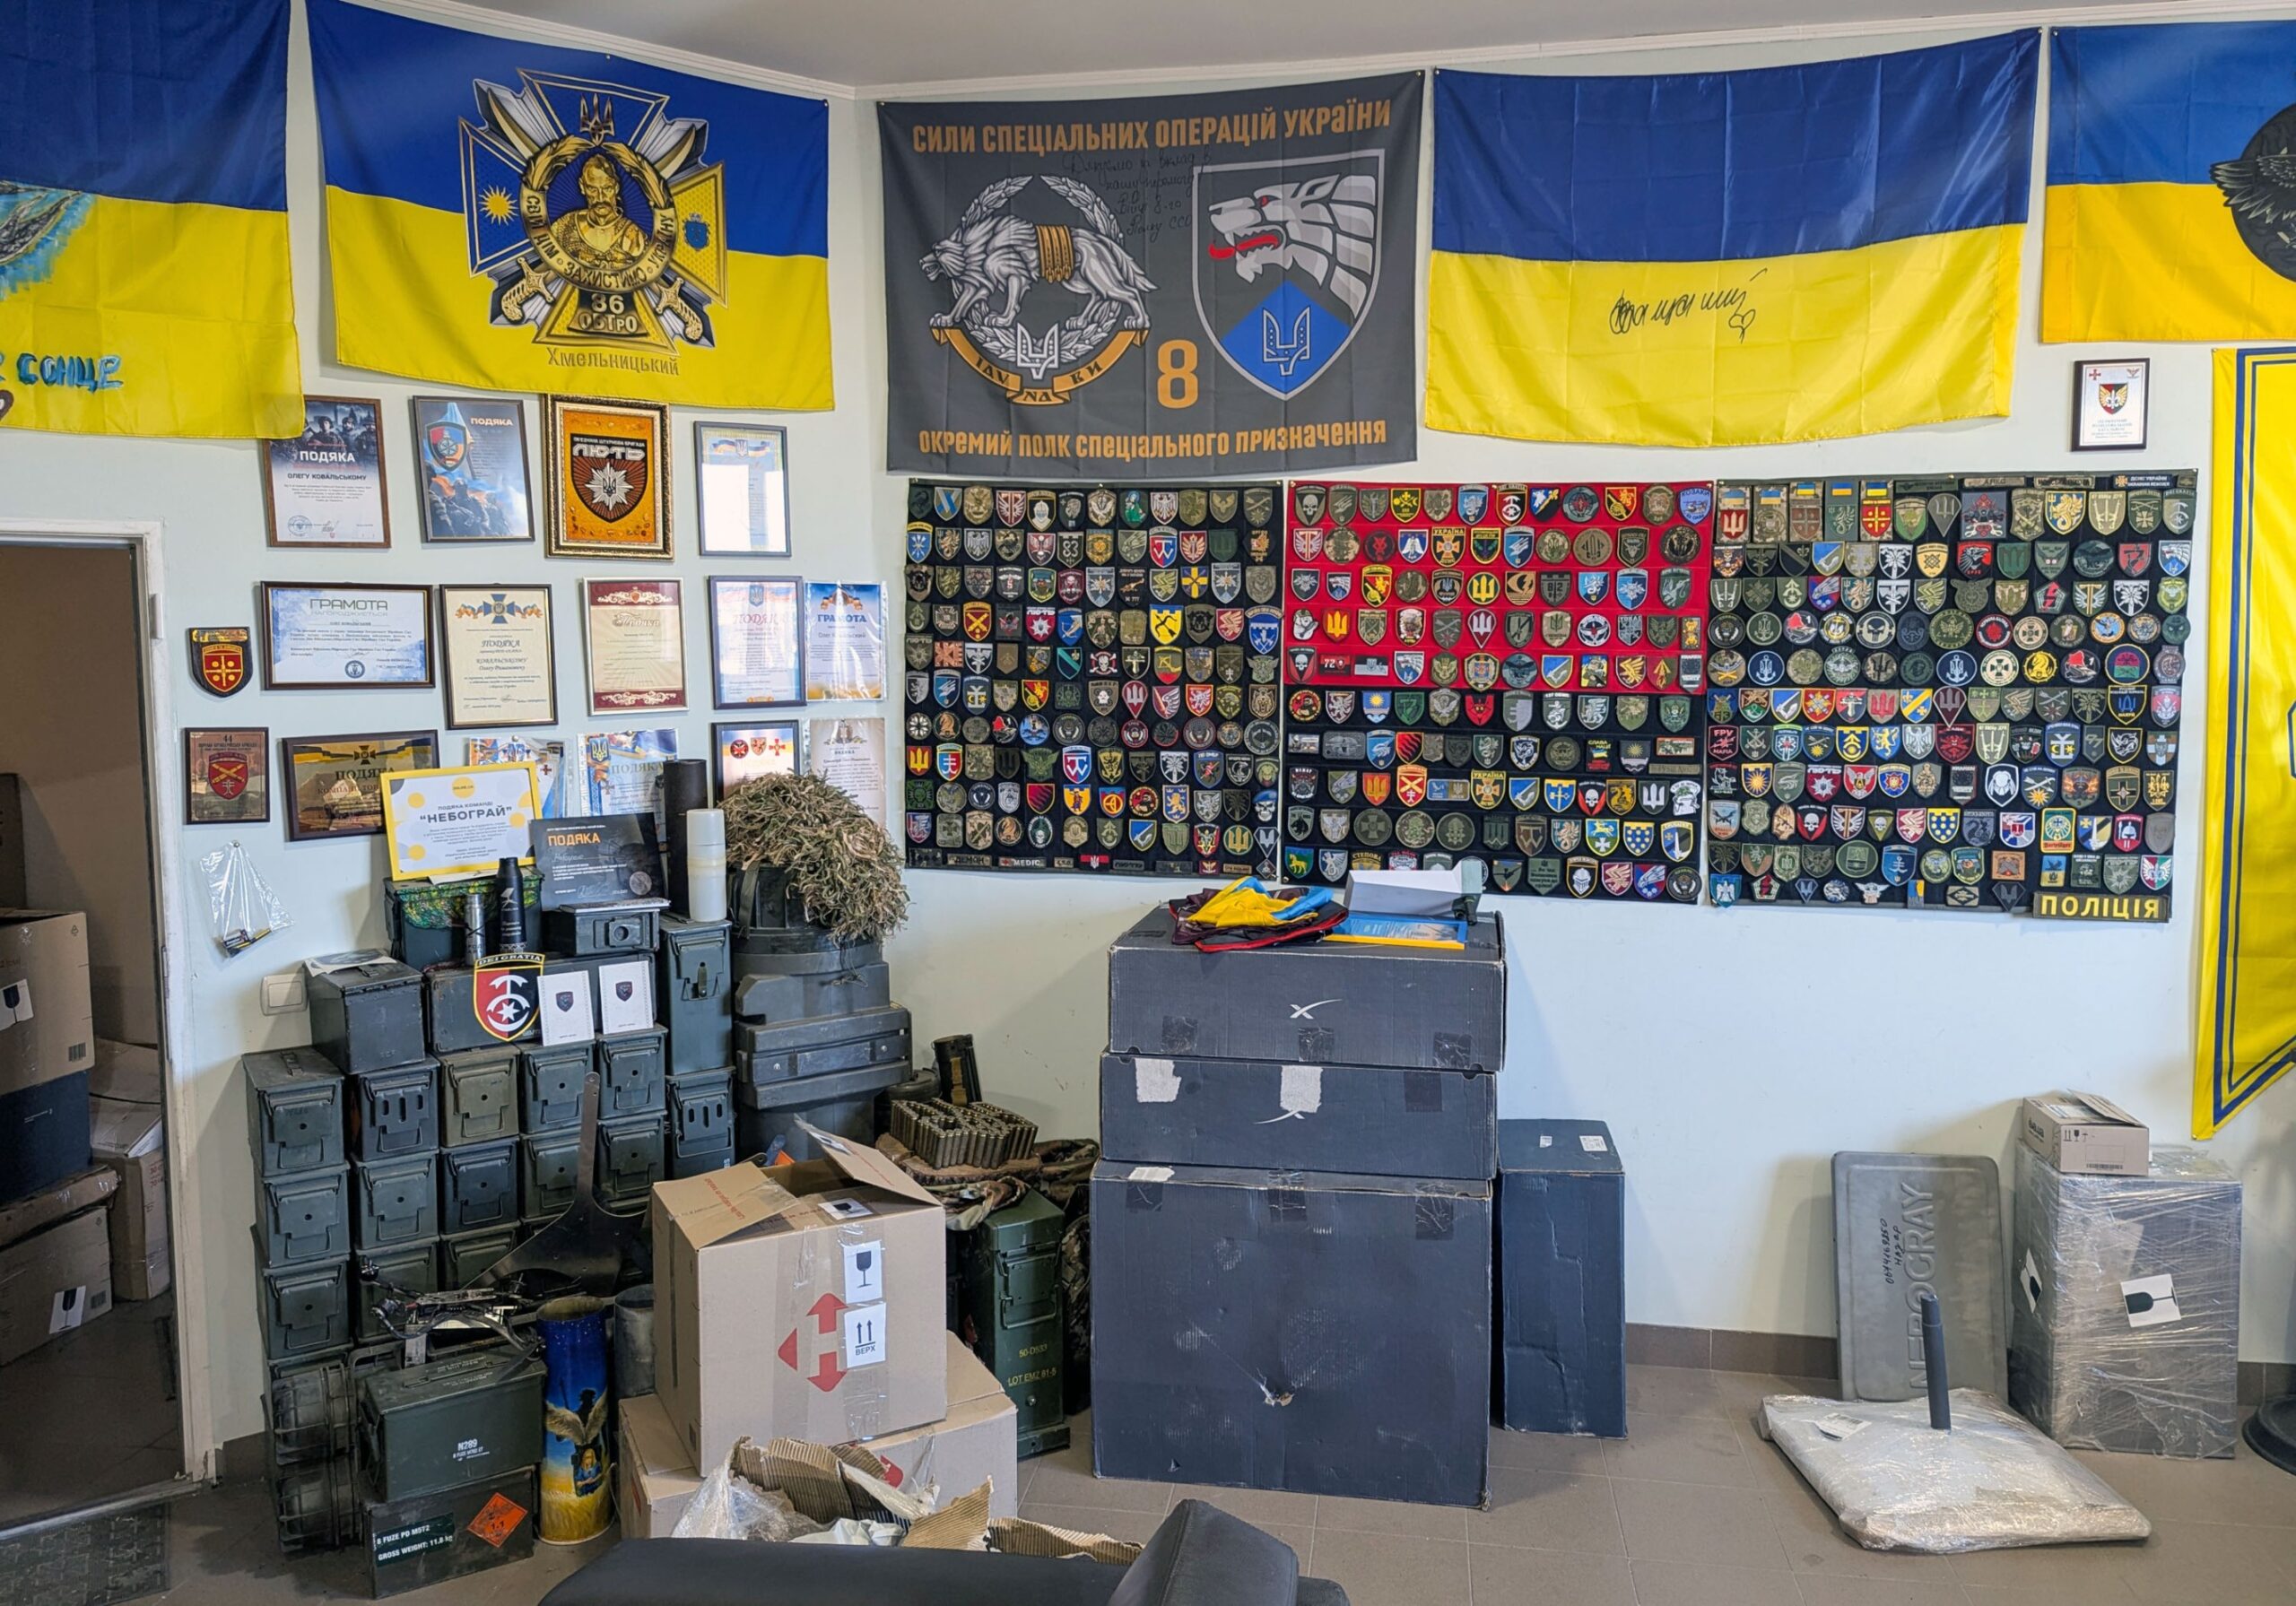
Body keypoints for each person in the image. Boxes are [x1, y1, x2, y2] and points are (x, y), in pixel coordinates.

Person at [550, 153, 647, 269]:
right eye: (592, 189)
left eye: (607, 188)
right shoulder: (563, 227)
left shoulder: (634, 235)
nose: (600, 198)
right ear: (582, 187)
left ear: (616, 187)